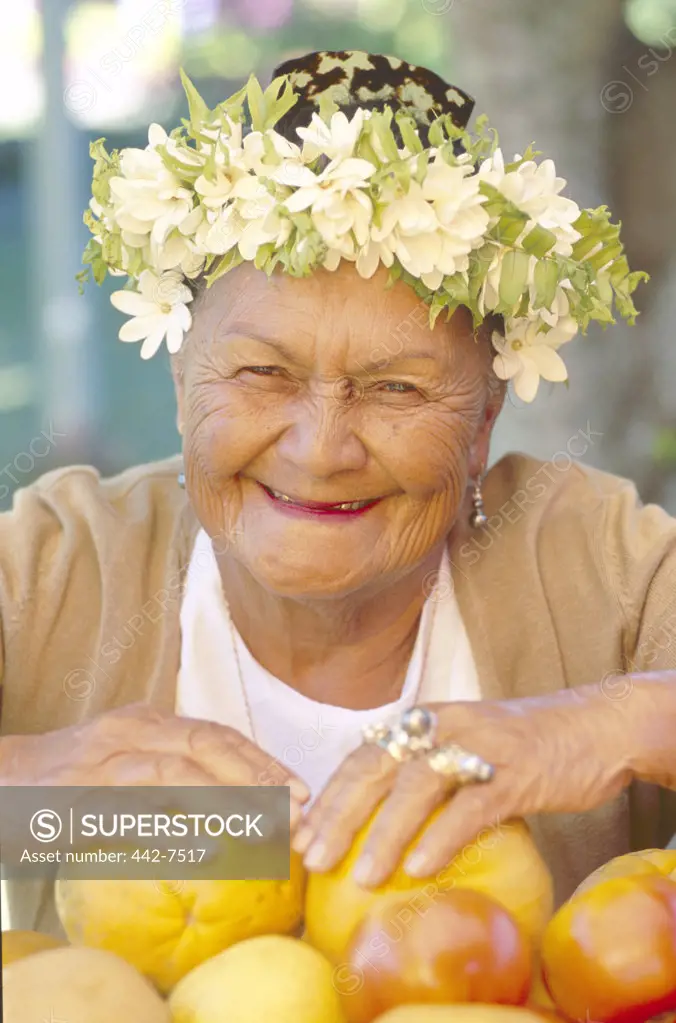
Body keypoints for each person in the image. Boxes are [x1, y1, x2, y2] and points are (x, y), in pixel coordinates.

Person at [2, 49, 675, 936]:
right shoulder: (61, 564)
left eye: (397, 388)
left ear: (482, 422)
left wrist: (600, 726)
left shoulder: (599, 561)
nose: (321, 450)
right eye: (260, 372)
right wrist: (24, 784)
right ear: (180, 382)